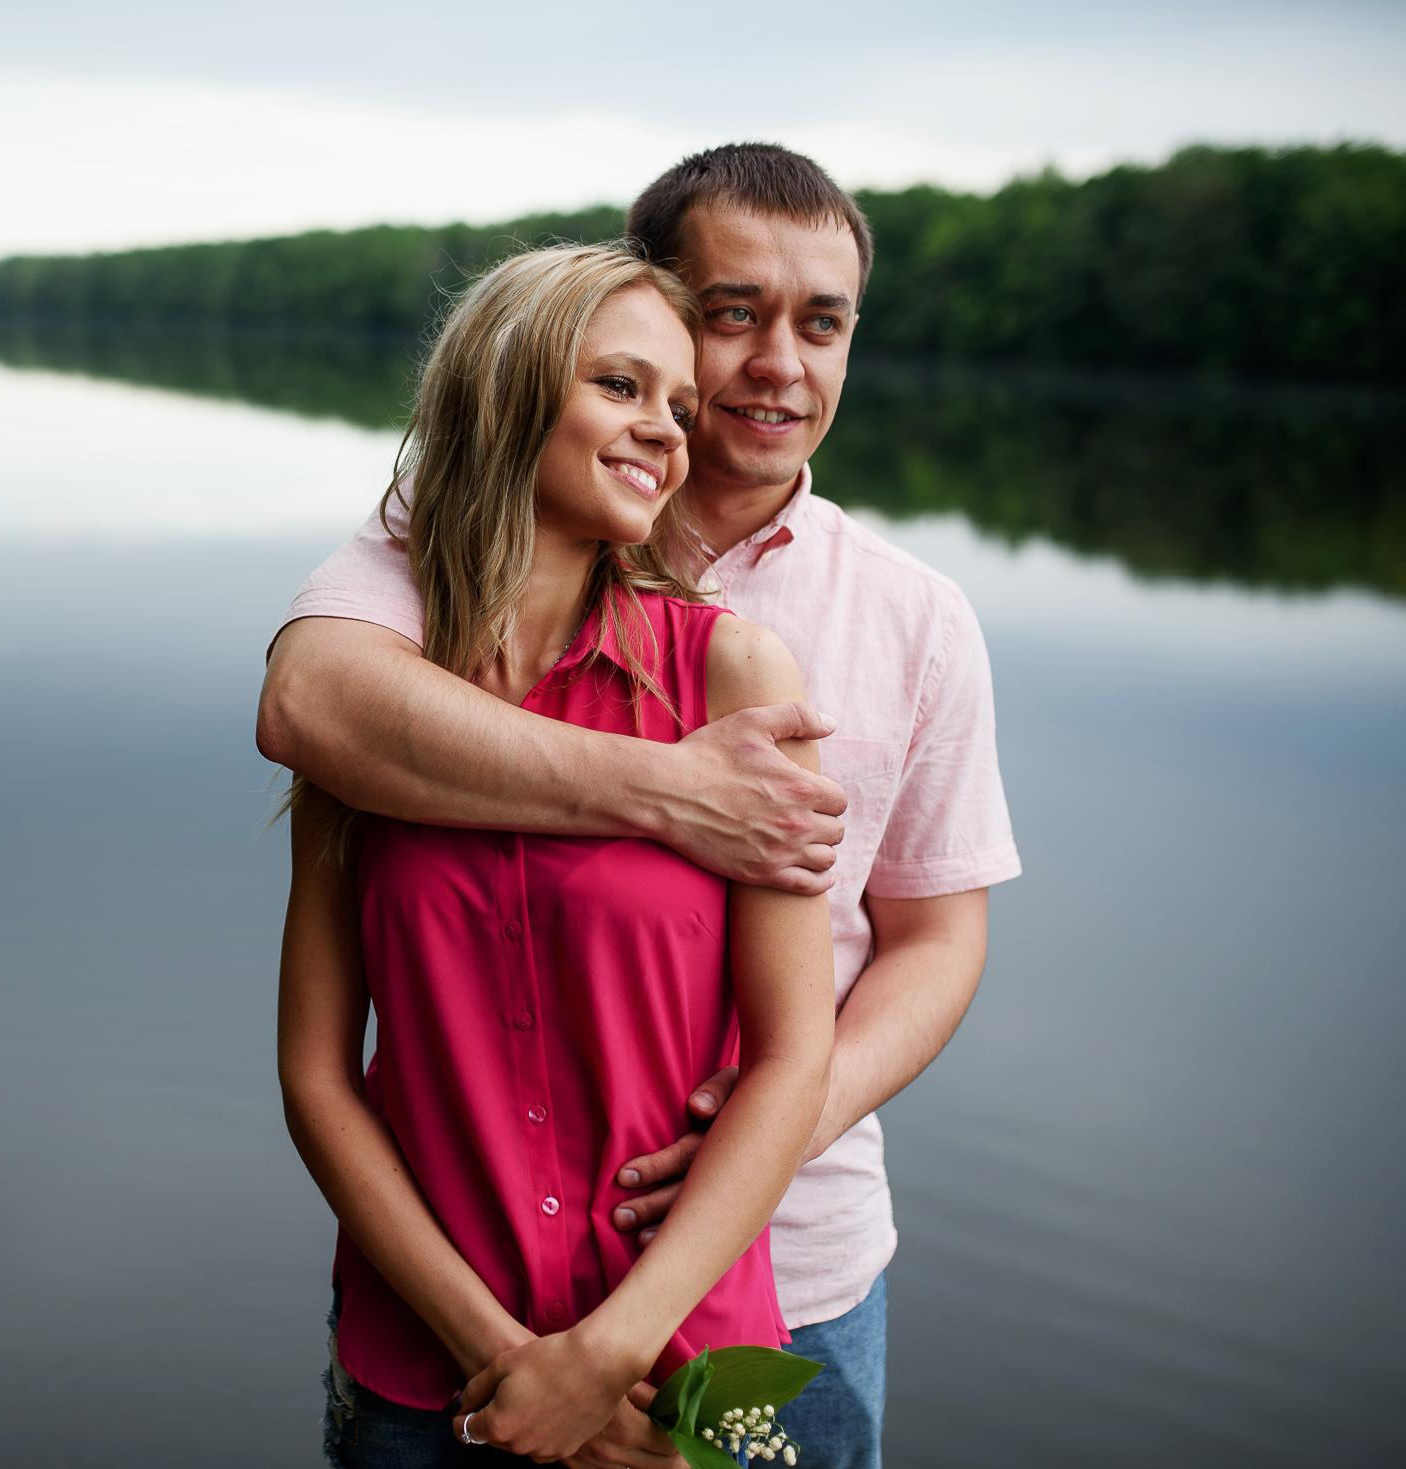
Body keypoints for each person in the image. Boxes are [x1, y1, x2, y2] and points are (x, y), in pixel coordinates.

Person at [261, 144, 1022, 1469]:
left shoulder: (911, 619)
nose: (782, 363)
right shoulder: (416, 572)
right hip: (450, 1297)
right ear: (646, 303)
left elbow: (940, 937)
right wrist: (675, 792)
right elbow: (312, 706)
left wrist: (789, 1110)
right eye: (736, 312)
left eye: (824, 322)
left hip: (786, 1275)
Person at [277, 241, 836, 1468]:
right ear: (510, 387)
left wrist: (601, 1356)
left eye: (679, 407)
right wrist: (497, 1352)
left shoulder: (729, 675)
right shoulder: (380, 712)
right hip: (426, 1376)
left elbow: (794, 1055)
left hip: (673, 1380)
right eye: (623, 387)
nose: (668, 434)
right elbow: (320, 1073)